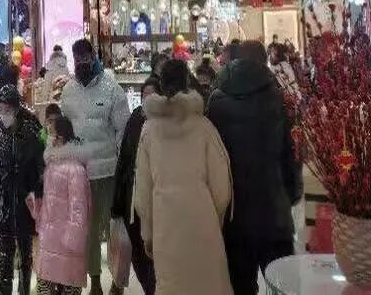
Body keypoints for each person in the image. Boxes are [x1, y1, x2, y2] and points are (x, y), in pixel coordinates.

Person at [208, 41, 303, 295]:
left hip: (234, 215)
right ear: (263, 62)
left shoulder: (216, 101)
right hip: (274, 210)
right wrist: (293, 193)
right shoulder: (279, 98)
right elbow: (292, 152)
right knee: (283, 285)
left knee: (240, 286)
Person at [134, 60, 233, 295]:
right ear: (188, 82)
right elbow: (222, 190)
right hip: (202, 221)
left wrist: (148, 234)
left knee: (172, 285)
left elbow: (143, 194)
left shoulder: (149, 130)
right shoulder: (204, 127)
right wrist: (216, 220)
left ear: (160, 85)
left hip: (166, 226)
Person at [58, 39, 130, 295]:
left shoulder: (112, 89)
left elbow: (124, 130)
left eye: (84, 57)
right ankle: (95, 281)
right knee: (87, 231)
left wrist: (120, 163)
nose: (81, 63)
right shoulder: (68, 91)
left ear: (93, 57)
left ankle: (118, 282)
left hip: (109, 173)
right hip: (80, 175)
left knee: (114, 230)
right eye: (76, 58)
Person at [0, 84, 44, 295]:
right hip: (4, 207)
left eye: (7, 110)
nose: (3, 114)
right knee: (4, 260)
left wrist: (38, 196)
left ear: (16, 109)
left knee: (26, 258)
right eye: (0, 109)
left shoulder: (31, 134)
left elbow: (40, 169)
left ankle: (24, 290)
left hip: (26, 206)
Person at [28, 116, 91, 295]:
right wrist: (37, 209)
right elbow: (51, 200)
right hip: (50, 240)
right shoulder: (52, 165)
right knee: (44, 287)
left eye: (50, 133)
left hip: (67, 244)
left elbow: (79, 208)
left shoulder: (75, 170)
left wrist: (74, 238)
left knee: (68, 287)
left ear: (60, 138)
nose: (47, 138)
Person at [110, 78, 159, 295]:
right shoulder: (135, 119)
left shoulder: (164, 124)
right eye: (144, 96)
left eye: (152, 96)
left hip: (156, 203)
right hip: (132, 200)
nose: (148, 100)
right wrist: (117, 203)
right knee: (138, 253)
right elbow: (124, 161)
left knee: (153, 256)